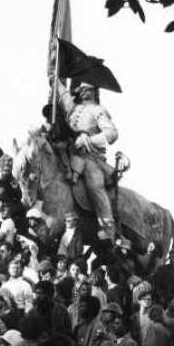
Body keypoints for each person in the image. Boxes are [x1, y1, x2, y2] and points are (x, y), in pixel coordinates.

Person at [53, 78, 118, 240]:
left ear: (94, 90)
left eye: (86, 89)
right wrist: (55, 80)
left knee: (94, 182)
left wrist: (88, 140)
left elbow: (112, 134)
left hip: (91, 157)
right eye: (81, 89)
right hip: (69, 152)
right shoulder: (75, 109)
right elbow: (65, 98)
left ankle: (108, 226)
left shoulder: (98, 110)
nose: (82, 91)